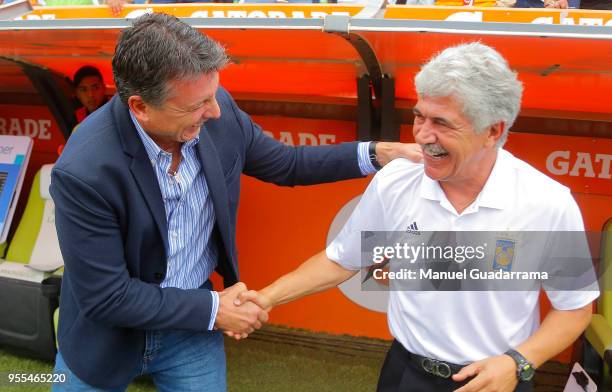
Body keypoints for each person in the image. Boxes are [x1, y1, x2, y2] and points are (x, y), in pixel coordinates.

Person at [50, 12, 421, 391]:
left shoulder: (214, 108)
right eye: (198, 105)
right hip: (106, 340)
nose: (215, 112)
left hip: (191, 333)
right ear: (141, 107)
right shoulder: (83, 171)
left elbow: (287, 164)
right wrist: (215, 310)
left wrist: (378, 153)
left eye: (214, 95)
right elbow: (108, 296)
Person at [235, 42, 598, 392]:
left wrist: (517, 362)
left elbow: (576, 309)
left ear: (493, 131)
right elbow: (343, 260)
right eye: (419, 117)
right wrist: (266, 298)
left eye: (442, 123)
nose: (423, 136)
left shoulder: (548, 202)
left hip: (498, 380)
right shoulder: (396, 181)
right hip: (406, 374)